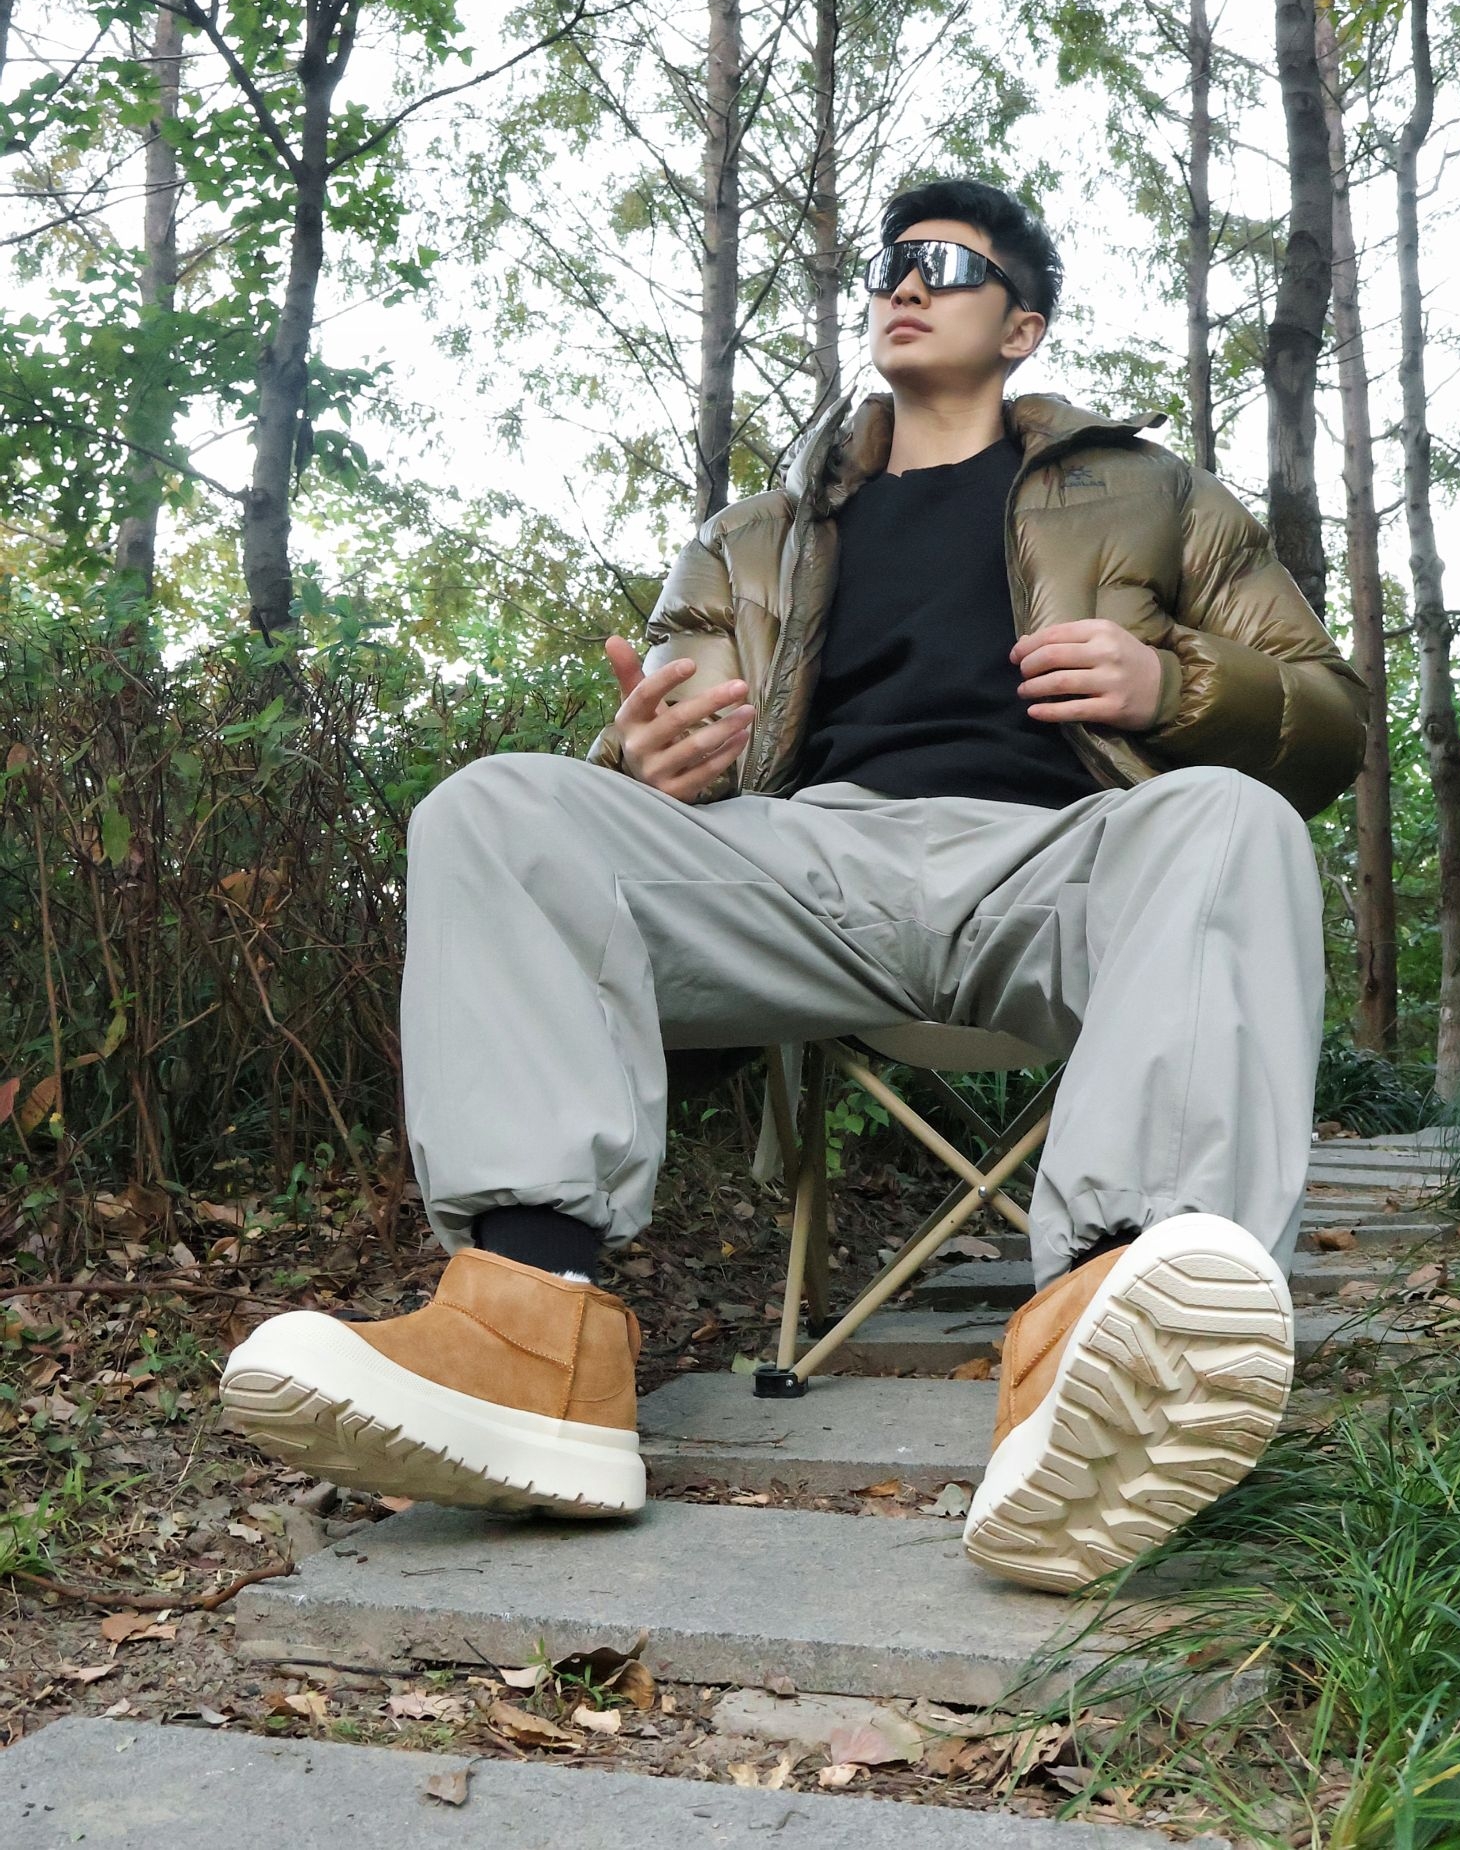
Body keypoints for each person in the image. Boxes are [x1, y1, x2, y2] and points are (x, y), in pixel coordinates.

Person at [220, 179, 1366, 1595]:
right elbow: (656, 744)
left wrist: (1174, 680)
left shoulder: (1154, 492)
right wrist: (640, 761)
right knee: (497, 807)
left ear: (1023, 326)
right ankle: (528, 1341)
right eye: (890, 263)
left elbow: (1327, 719)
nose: (906, 282)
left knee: (1232, 820)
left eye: (946, 264)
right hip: (796, 866)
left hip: (1061, 861)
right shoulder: (754, 532)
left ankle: (1106, 1349)